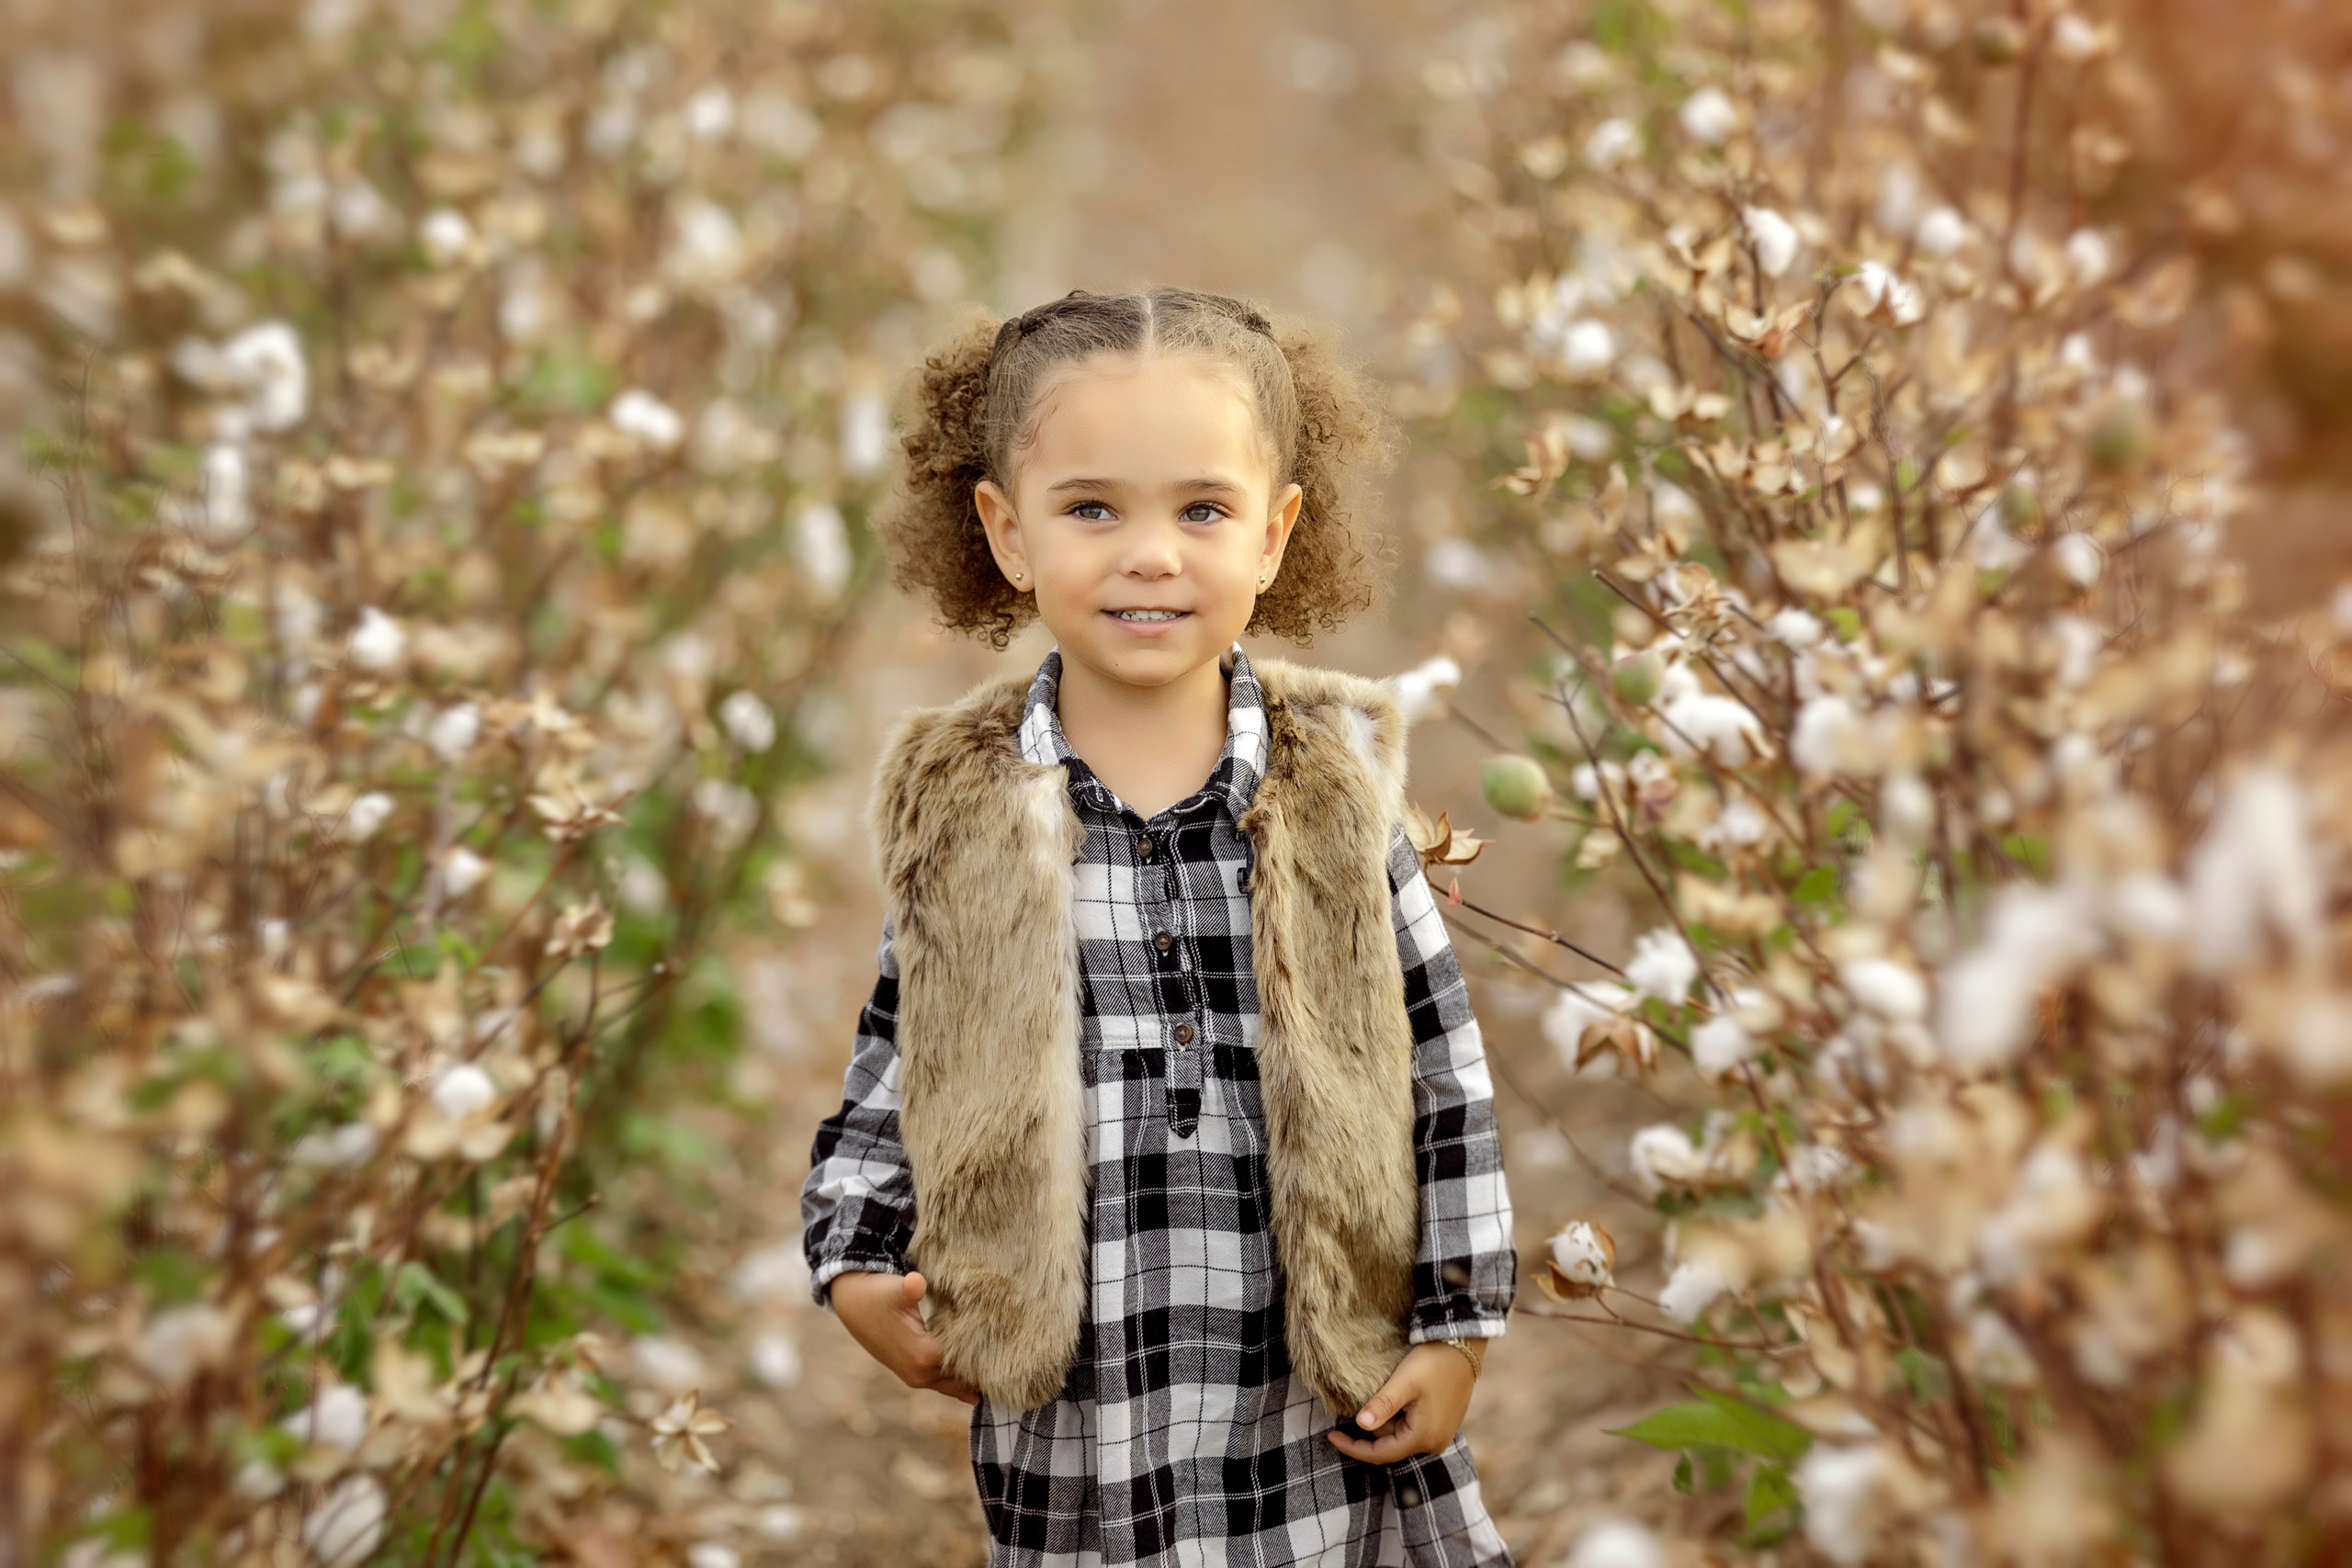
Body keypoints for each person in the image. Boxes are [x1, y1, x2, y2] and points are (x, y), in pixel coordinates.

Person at [799, 287, 1518, 1567]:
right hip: (1085, 1407)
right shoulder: (970, 814)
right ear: (1005, 531)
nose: (1151, 554)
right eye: (1092, 510)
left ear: (1277, 532)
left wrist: (1457, 1326)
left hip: (1314, 1392)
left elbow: (1440, 1066)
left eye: (1202, 510)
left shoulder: (1335, 794)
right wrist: (857, 1260)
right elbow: (898, 1059)